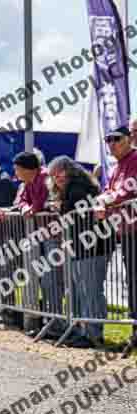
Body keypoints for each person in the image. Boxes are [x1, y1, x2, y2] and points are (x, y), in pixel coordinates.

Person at [48, 156, 105, 348]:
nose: (57, 177)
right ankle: (83, 330)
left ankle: (93, 334)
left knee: (90, 290)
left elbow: (74, 215)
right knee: (82, 291)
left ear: (70, 169)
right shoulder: (70, 188)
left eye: (60, 172)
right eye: (54, 174)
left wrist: (61, 209)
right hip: (81, 245)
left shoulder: (78, 187)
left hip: (92, 245)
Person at [94, 126, 137, 331]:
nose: (111, 143)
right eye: (108, 139)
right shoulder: (117, 166)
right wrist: (104, 200)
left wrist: (106, 202)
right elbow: (106, 190)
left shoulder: (135, 160)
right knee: (132, 282)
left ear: (128, 139)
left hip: (134, 230)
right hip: (125, 233)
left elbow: (126, 190)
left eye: (116, 139)